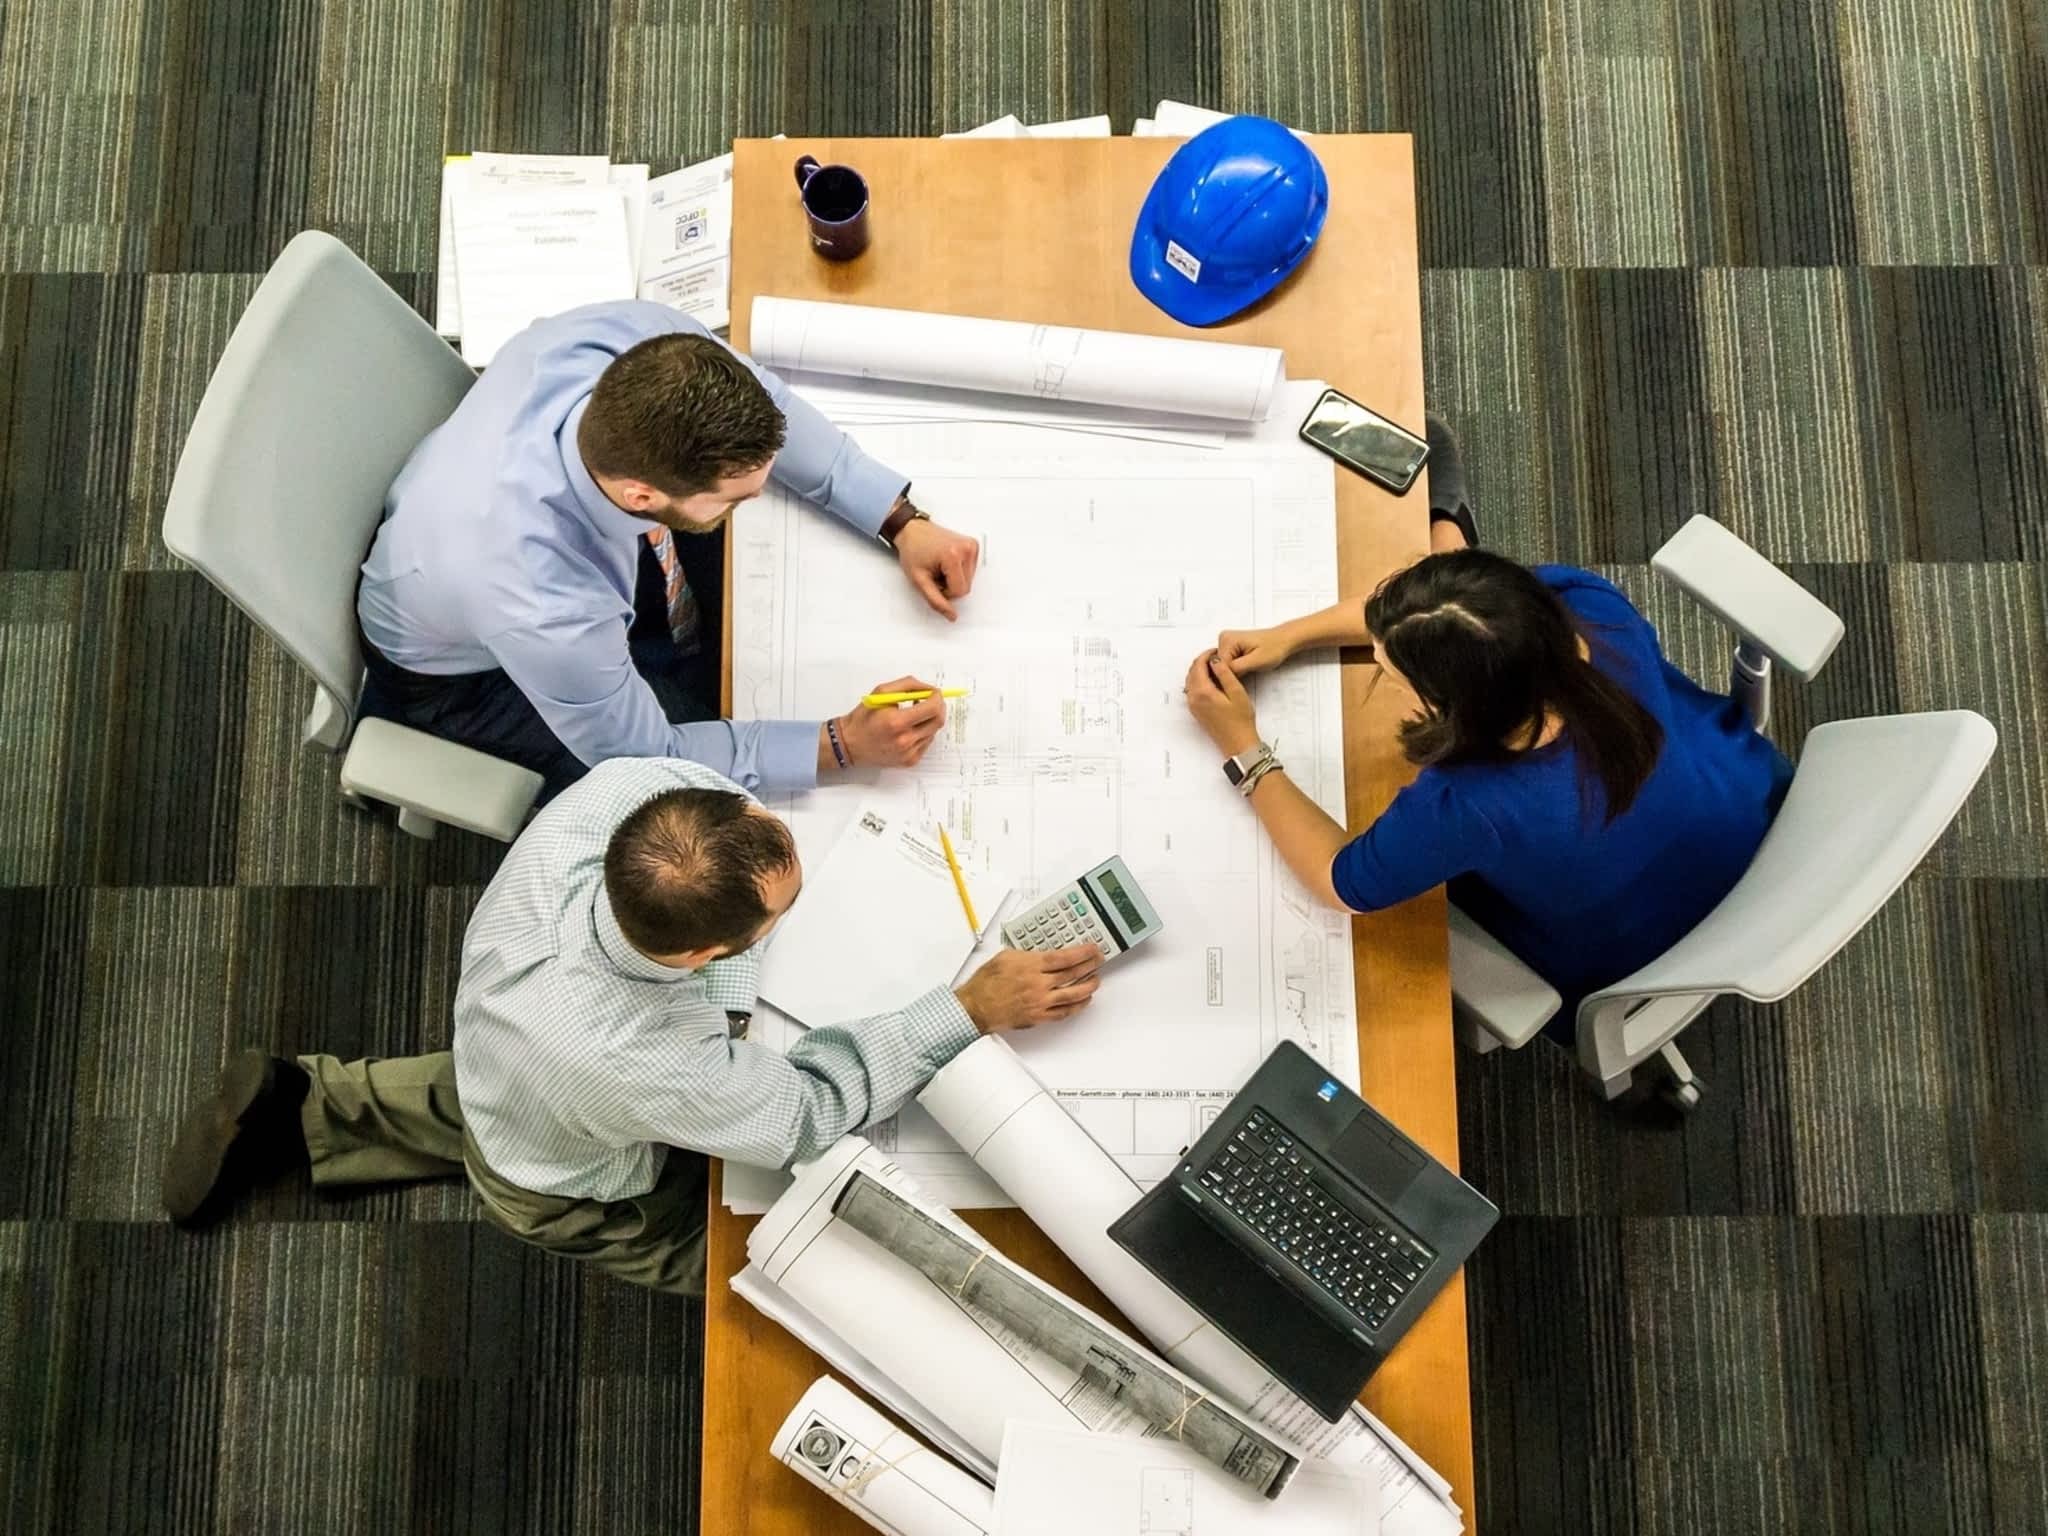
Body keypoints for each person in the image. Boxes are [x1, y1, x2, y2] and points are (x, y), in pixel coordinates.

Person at [160, 757, 1103, 1294]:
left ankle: (308, 1103)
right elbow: (804, 1115)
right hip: (568, 1174)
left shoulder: (628, 796)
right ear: (703, 956)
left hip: (509, 1045)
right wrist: (966, 1008)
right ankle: (765, 1279)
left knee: (498, 1090)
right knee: (754, 1257)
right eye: (777, 917)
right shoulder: (635, 1060)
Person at [1180, 423, 1790, 1040]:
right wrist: (1290, 636)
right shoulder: (1583, 604)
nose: (1380, 672)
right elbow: (1434, 612)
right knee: (1434, 463)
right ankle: (1450, 523)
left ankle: (1448, 519)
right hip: (1745, 804)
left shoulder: (1468, 807)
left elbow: (1343, 883)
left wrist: (1242, 747)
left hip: (1637, 947)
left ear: (1456, 707)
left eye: (1391, 673)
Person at [357, 300, 985, 800]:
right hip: (463, 677)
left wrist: (898, 519)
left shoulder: (636, 338)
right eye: (735, 496)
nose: (759, 498)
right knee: (698, 810)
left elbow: (775, 409)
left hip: (466, 528)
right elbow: (648, 757)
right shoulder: (544, 604)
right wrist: (841, 744)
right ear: (640, 494)